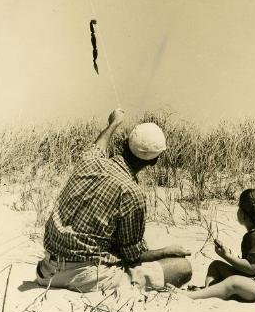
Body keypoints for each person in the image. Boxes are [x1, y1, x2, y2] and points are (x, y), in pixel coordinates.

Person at [36, 109, 192, 293]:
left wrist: (113, 123)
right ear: (154, 162)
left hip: (46, 269)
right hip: (86, 276)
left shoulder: (89, 161)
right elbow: (132, 255)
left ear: (125, 143)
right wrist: (165, 251)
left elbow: (99, 146)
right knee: (183, 267)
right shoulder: (132, 193)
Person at [187, 189, 255, 302]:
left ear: (243, 215)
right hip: (254, 280)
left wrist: (226, 256)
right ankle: (208, 292)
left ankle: (193, 296)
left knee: (234, 281)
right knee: (216, 265)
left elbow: (251, 268)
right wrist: (232, 255)